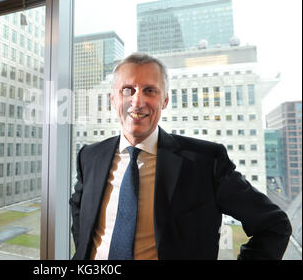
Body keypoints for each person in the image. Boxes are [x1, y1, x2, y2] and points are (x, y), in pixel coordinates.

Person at [69, 52, 292, 260]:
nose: (137, 101)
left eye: (149, 90)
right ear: (113, 99)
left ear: (165, 100)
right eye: (128, 89)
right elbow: (80, 215)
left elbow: (273, 225)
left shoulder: (205, 162)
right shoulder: (90, 157)